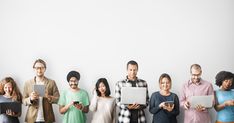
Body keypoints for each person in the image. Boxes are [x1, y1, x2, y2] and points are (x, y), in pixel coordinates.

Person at [23, 59, 60, 123]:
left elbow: (58, 99)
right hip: (32, 119)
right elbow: (23, 100)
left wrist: (48, 96)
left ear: (45, 69)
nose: (39, 70)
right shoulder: (28, 83)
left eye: (42, 68)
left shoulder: (51, 82)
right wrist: (30, 99)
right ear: (34, 69)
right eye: (37, 68)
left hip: (47, 119)